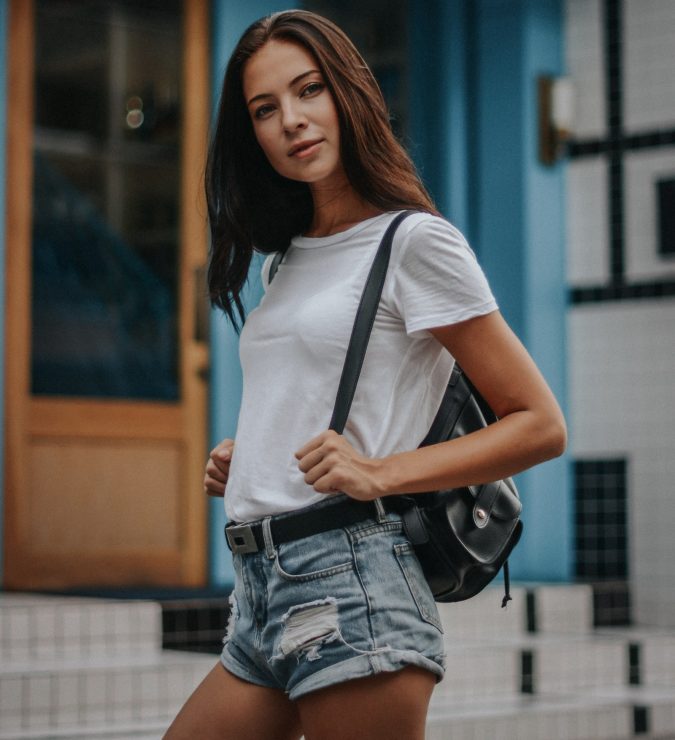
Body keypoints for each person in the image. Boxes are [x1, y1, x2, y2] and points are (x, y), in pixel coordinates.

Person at [165, 9, 566, 740]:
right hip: (259, 590)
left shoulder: (413, 244)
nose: (290, 119)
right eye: (264, 108)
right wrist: (253, 451)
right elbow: (323, 394)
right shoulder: (282, 259)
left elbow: (539, 424)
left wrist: (380, 473)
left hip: (352, 584)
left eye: (308, 90)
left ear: (346, 93)